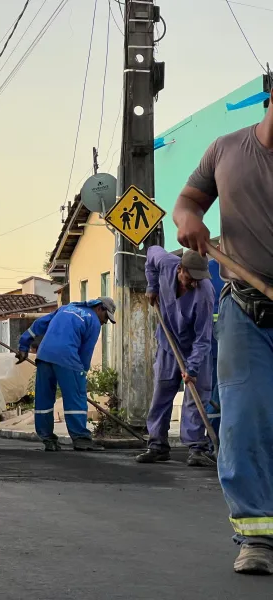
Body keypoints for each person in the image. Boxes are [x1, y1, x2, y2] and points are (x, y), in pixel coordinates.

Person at [173, 102, 273, 574]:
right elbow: (187, 202)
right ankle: (257, 537)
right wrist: (187, 217)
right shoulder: (226, 150)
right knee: (245, 421)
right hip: (246, 313)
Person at [135, 246, 215, 467]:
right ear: (180, 269)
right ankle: (157, 445)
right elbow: (151, 251)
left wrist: (192, 368)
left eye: (198, 279)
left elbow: (203, 337)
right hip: (168, 343)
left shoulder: (204, 293)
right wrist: (152, 286)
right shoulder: (167, 262)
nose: (193, 283)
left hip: (196, 349)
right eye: (190, 277)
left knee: (196, 396)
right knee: (162, 393)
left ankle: (198, 448)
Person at [17, 297, 116, 452]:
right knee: (76, 398)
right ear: (99, 308)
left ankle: (48, 439)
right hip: (67, 357)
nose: (105, 322)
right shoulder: (94, 321)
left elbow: (38, 325)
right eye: (106, 317)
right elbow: (86, 352)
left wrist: (24, 346)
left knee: (44, 399)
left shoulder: (65, 309)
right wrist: (82, 373)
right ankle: (81, 440)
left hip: (44, 355)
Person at [206, 256, 223, 457]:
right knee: (215, 393)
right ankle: (214, 443)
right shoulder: (211, 269)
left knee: (215, 393)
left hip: (214, 342)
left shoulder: (211, 269)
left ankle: (214, 443)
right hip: (215, 341)